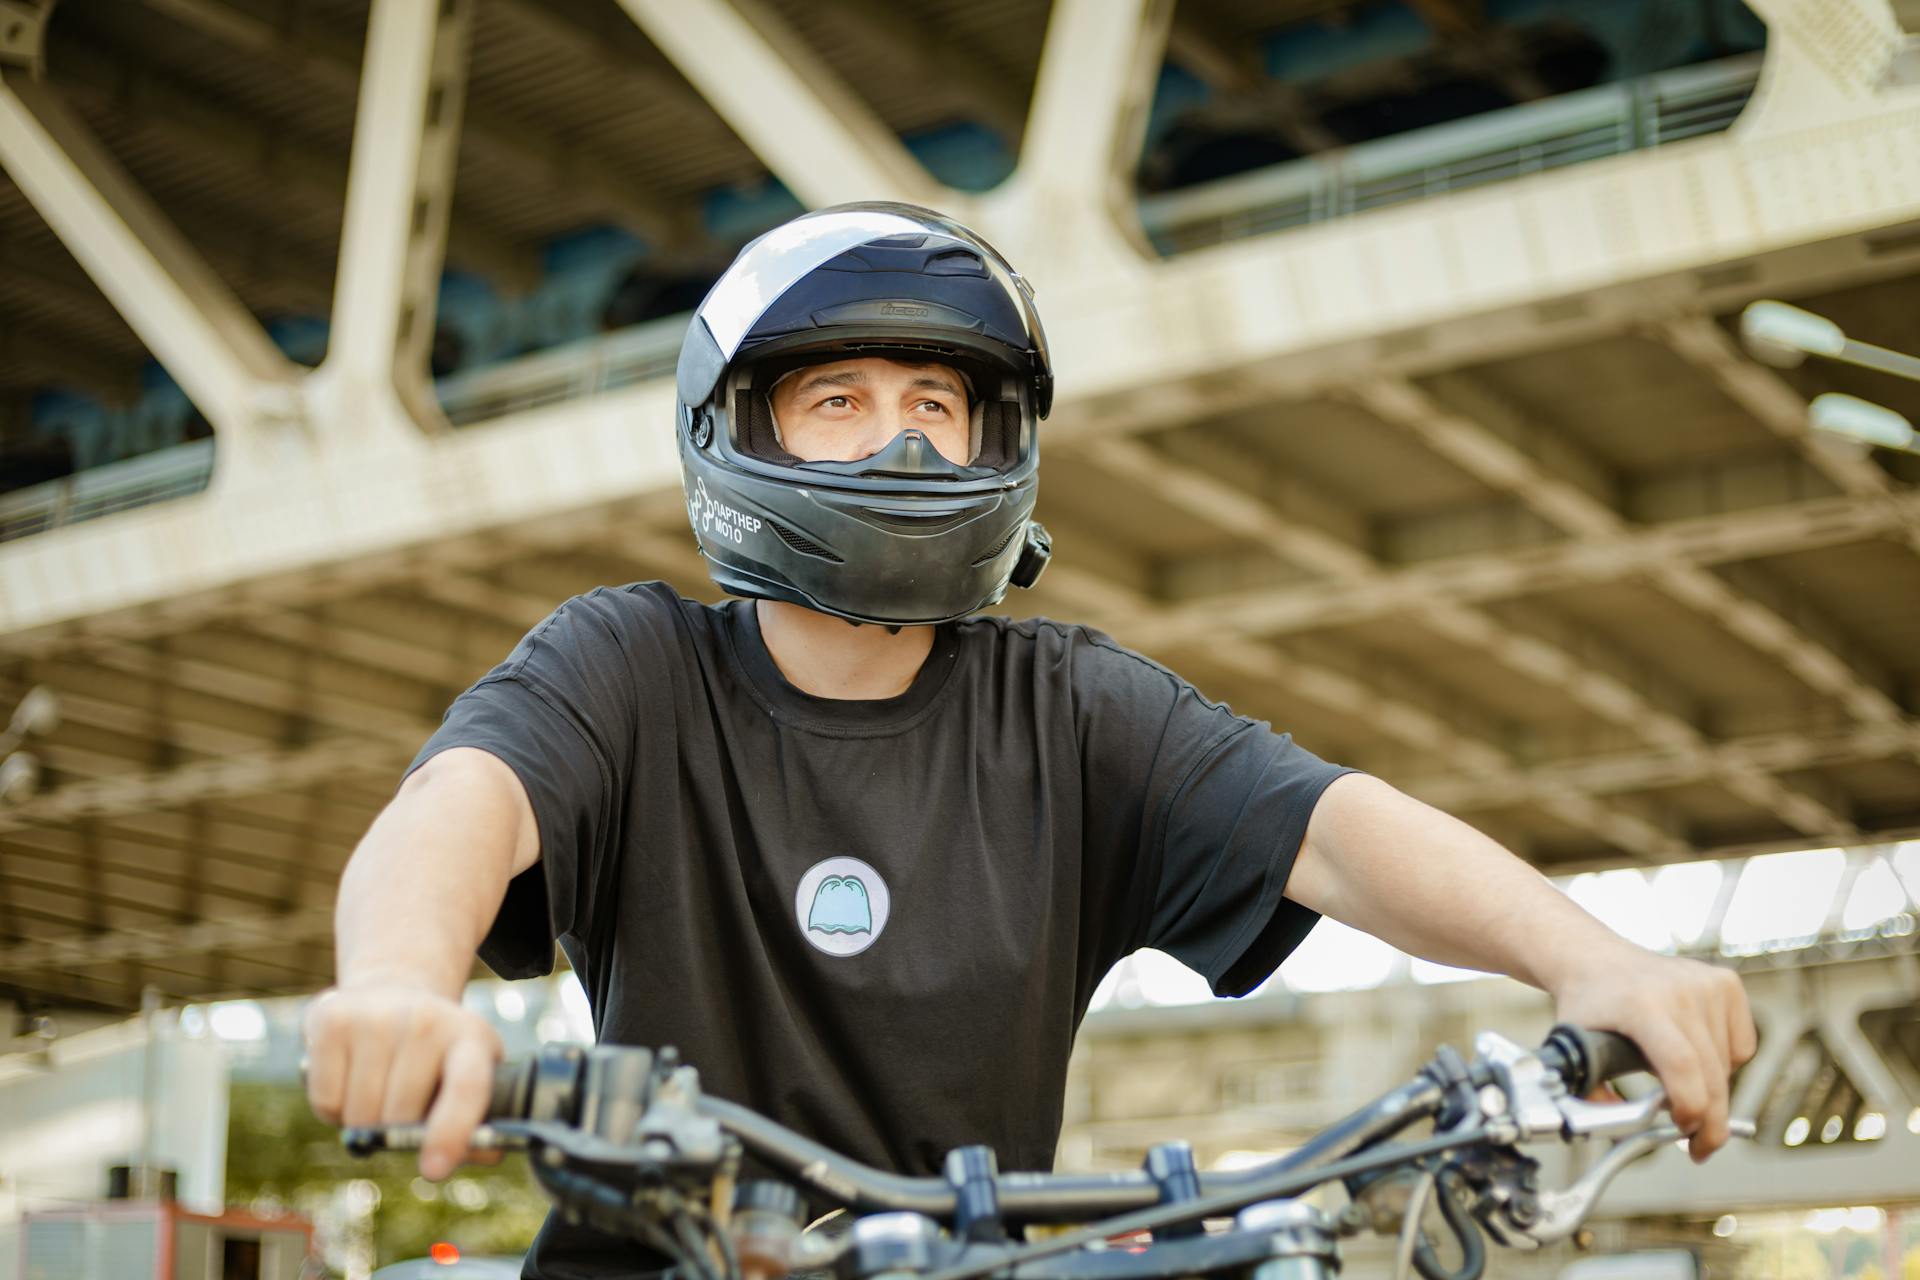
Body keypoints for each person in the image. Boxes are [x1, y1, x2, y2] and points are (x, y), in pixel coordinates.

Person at [303, 203, 1755, 1278]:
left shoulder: (1067, 707)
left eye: (939, 405)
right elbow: (463, 805)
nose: (904, 446)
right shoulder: (629, 665)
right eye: (840, 404)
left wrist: (1596, 960)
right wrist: (396, 987)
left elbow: (1334, 829)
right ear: (738, 429)